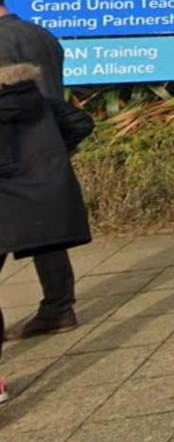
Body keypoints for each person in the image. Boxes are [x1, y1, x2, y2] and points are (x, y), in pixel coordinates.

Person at [0, 55, 93, 404]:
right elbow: (81, 123)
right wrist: (51, 157)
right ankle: (58, 308)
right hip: (40, 203)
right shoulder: (38, 100)